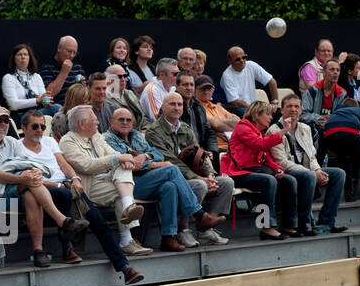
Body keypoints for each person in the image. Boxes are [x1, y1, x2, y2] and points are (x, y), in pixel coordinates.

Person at [15, 110, 143, 282]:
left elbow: (64, 164)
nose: (39, 130)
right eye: (35, 126)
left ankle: (125, 268)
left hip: (66, 186)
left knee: (98, 221)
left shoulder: (49, 142)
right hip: (42, 188)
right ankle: (67, 246)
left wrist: (74, 178)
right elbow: (24, 178)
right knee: (64, 195)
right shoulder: (17, 146)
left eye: (42, 126)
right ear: (23, 128)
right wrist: (59, 184)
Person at [0, 104, 87, 267]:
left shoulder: (11, 142)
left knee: (32, 188)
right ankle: (62, 223)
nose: (3, 124)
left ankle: (39, 251)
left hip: (12, 189)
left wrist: (34, 173)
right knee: (30, 188)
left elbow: (26, 165)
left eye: (6, 121)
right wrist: (24, 178)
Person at [103, 107, 221, 250]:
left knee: (169, 187)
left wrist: (145, 156)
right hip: (126, 185)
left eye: (129, 120)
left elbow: (157, 154)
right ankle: (199, 215)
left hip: (145, 180)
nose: (125, 122)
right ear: (112, 122)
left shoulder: (136, 135)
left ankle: (167, 237)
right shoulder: (107, 139)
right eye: (121, 119)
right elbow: (129, 165)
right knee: (171, 169)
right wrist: (152, 163)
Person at [59, 105, 150, 255]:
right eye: (94, 120)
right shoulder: (68, 141)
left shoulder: (97, 136)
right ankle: (127, 231)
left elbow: (113, 153)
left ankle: (127, 229)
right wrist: (119, 158)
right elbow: (87, 165)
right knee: (121, 180)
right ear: (82, 124)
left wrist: (124, 160)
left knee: (123, 175)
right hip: (87, 187)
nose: (98, 123)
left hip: (105, 180)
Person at [145, 92, 233, 245]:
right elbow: (170, 161)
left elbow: (200, 154)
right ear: (162, 107)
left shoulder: (185, 128)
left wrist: (210, 175)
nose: (177, 107)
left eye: (179, 104)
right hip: (172, 179)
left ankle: (204, 228)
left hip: (195, 175)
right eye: (172, 104)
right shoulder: (153, 131)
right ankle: (182, 229)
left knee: (226, 182)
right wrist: (199, 178)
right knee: (199, 185)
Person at [270, 95, 347, 235]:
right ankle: (304, 224)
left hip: (307, 170)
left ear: (301, 110)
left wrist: (317, 170)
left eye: (296, 106)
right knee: (309, 176)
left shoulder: (305, 128)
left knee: (338, 174)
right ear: (281, 110)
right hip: (286, 172)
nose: (293, 109)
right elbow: (281, 162)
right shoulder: (274, 130)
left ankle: (327, 222)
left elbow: (312, 155)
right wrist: (312, 173)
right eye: (289, 106)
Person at [222, 101, 287, 239]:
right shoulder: (242, 127)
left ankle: (291, 224)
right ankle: (267, 226)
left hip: (253, 172)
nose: (271, 117)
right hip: (238, 173)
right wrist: (283, 131)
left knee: (289, 180)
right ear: (257, 115)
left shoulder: (259, 132)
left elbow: (267, 157)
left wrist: (277, 168)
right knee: (269, 180)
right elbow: (261, 145)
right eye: (268, 114)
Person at [320, 99, 360, 203]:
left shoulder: (335, 113)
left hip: (330, 135)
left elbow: (324, 129)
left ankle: (349, 194)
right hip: (352, 134)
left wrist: (319, 157)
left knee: (345, 160)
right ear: (356, 106)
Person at [221, 46, 278, 113]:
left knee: (280, 113)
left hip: (251, 108)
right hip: (236, 109)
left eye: (244, 57)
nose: (242, 61)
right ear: (230, 61)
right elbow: (235, 103)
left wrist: (275, 102)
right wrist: (254, 109)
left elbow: (272, 82)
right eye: (237, 59)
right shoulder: (227, 75)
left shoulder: (251, 65)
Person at [0, 43, 51, 115]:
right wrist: (37, 100)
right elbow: (13, 104)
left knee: (57, 108)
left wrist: (47, 101)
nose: (23, 57)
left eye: (25, 54)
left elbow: (43, 99)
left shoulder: (36, 76)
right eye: (19, 54)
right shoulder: (8, 78)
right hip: (20, 115)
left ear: (30, 58)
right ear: (14, 58)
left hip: (38, 113)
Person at [39, 35, 87, 111]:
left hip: (77, 108)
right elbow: (48, 96)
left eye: (74, 53)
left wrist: (83, 87)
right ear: (59, 48)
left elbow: (87, 94)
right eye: (69, 51)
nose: (71, 56)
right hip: (58, 109)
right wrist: (64, 72)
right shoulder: (47, 68)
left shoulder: (78, 68)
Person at [195, 75, 239, 152]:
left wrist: (219, 126)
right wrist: (225, 123)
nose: (206, 92)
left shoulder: (218, 107)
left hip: (233, 145)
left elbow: (238, 122)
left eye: (208, 89)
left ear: (213, 90)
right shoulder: (196, 107)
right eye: (202, 89)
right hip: (217, 148)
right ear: (195, 90)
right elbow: (216, 124)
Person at [300, 58, 346, 126]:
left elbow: (345, 116)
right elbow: (302, 115)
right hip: (314, 128)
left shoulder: (343, 94)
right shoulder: (312, 91)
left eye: (338, 70)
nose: (335, 72)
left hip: (333, 128)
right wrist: (320, 117)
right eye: (332, 69)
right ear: (324, 72)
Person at [101, 64, 144, 130]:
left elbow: (143, 117)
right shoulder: (105, 99)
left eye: (125, 76)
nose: (123, 79)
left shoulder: (130, 93)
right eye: (119, 77)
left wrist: (146, 129)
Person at [140, 57, 178, 123]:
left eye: (178, 73)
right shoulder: (152, 90)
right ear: (162, 75)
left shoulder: (173, 88)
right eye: (174, 74)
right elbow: (158, 119)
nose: (178, 77)